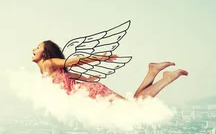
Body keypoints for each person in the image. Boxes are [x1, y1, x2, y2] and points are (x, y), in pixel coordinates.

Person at [32, 40, 188, 101]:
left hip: (93, 92)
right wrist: (88, 78)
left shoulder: (49, 63)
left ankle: (166, 78)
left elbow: (73, 62)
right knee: (133, 106)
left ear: (45, 53)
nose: (33, 49)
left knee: (134, 108)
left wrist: (99, 57)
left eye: (37, 47)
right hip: (91, 91)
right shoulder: (47, 72)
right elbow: (68, 76)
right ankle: (152, 72)